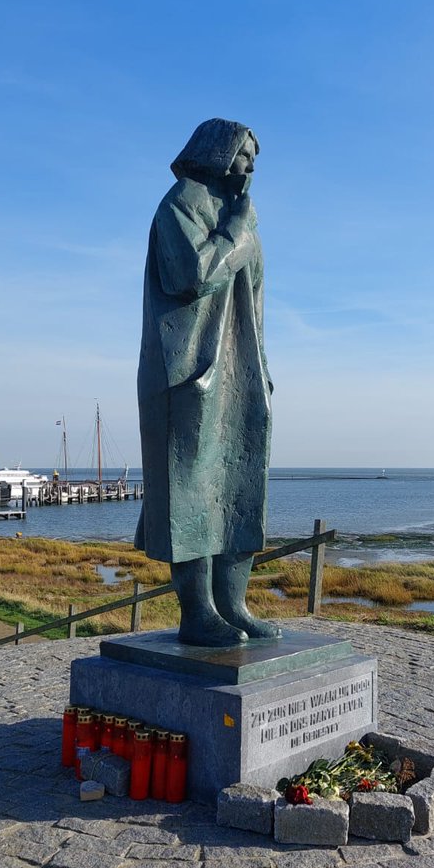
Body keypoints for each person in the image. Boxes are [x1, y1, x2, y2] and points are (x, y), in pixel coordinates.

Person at [135, 118, 279, 647]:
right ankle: (197, 612)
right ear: (217, 154)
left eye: (253, 158)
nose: (250, 166)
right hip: (188, 373)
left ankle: (233, 605)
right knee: (189, 488)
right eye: (243, 155)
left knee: (240, 483)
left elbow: (253, 299)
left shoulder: (241, 215)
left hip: (240, 374)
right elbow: (191, 275)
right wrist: (238, 231)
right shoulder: (181, 203)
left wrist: (260, 370)